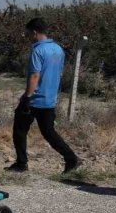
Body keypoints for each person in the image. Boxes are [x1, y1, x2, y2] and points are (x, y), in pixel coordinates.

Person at [6, 18, 80, 174]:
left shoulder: (37, 50)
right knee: (49, 132)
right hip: (50, 98)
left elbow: (34, 75)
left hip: (35, 99)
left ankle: (21, 163)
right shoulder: (58, 49)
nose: (27, 37)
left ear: (34, 32)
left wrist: (27, 97)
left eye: (28, 33)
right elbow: (60, 73)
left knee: (19, 130)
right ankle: (71, 158)